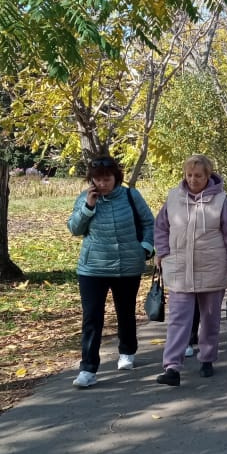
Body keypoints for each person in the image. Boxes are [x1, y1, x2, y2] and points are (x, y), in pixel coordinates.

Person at [153, 155, 227, 385]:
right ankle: (172, 366)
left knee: (210, 318)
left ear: (208, 176)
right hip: (179, 268)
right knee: (178, 320)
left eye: (198, 176)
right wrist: (161, 252)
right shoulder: (173, 198)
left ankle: (207, 358)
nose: (193, 180)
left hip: (212, 268)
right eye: (189, 175)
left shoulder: (221, 201)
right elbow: (161, 227)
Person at [66, 156, 155, 388]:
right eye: (98, 179)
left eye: (107, 179)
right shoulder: (85, 199)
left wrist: (145, 248)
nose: (103, 184)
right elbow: (74, 229)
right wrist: (88, 207)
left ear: (116, 178)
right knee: (92, 318)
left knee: (125, 311)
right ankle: (88, 369)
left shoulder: (130, 196)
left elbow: (149, 223)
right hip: (93, 268)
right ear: (91, 180)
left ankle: (127, 351)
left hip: (128, 265)